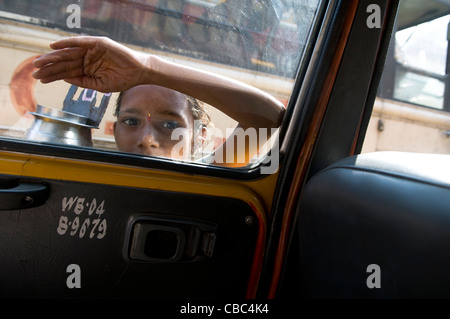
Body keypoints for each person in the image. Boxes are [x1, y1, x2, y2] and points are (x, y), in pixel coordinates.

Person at [32, 36, 285, 167]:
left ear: (200, 135)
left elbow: (268, 115)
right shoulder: (98, 174)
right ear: (115, 128)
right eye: (131, 121)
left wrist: (148, 68)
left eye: (170, 125)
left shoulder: (213, 174)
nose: (147, 140)